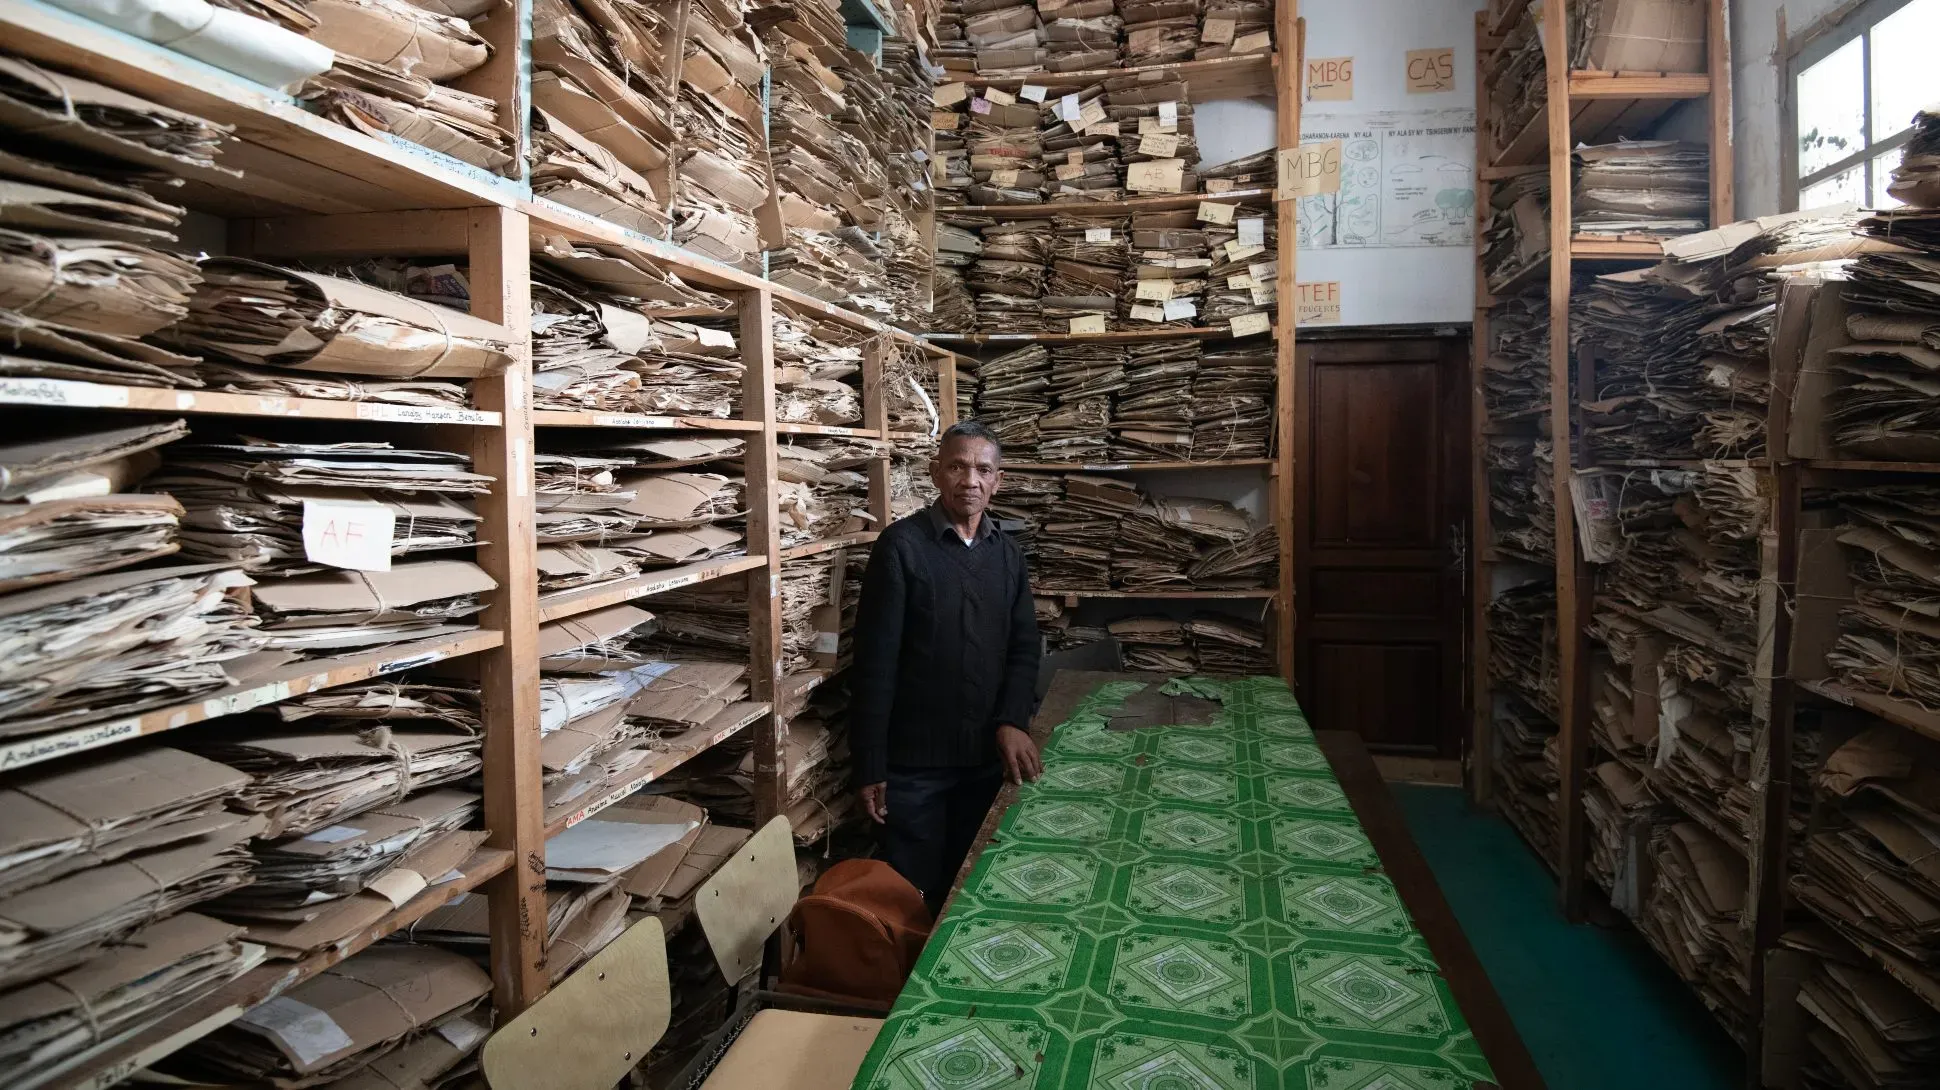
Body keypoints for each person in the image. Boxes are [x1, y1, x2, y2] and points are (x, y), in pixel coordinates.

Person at [851, 419, 1042, 911]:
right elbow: (874, 664)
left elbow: (1024, 646)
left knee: (976, 885)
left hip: (985, 760)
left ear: (998, 480)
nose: (970, 480)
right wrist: (871, 763)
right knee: (912, 892)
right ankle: (905, 986)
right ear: (937, 473)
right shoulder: (901, 548)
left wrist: (1012, 720)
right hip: (915, 768)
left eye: (983, 469)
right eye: (957, 466)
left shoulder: (1006, 555)